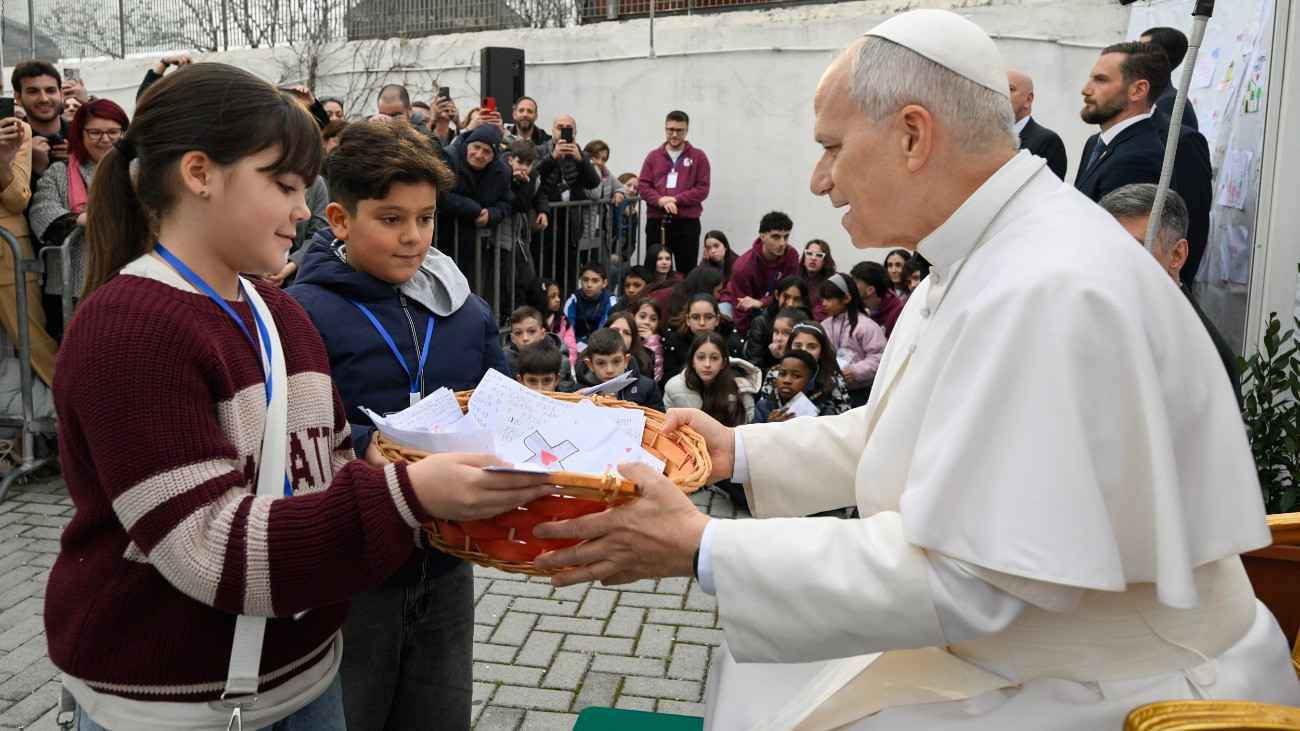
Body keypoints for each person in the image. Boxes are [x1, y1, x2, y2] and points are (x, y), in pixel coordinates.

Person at [529, 10, 1300, 728]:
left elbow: (973, 579)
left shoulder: (1045, 286)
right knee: (755, 673)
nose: (818, 180)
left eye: (832, 146)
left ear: (912, 136)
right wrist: (739, 451)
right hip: (1022, 651)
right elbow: (909, 425)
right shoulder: (988, 248)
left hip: (1111, 689)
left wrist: (704, 546)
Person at [49, 62, 552, 731]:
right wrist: (413, 492)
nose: (302, 208)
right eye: (283, 183)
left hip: (306, 678)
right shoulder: (131, 329)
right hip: (176, 704)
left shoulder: (279, 316)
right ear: (199, 174)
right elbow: (210, 547)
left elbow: (330, 474)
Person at [287, 118, 519, 731]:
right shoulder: (302, 313)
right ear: (339, 220)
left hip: (447, 567)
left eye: (426, 217)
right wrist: (366, 446)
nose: (414, 237)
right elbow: (296, 432)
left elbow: (503, 405)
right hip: (354, 574)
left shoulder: (465, 310)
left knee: (440, 715)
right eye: (390, 219)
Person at [1099, 184, 1239, 406]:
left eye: (1135, 249)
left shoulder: (1206, 357)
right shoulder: (1112, 318)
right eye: (1107, 247)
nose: (1116, 263)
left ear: (1176, 256)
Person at [29, 99, 130, 330]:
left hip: (131, 283)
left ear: (125, 132)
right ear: (79, 133)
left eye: (113, 131)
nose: (105, 139)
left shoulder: (141, 170)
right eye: (95, 132)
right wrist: (81, 219)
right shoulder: (59, 172)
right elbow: (42, 213)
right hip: (70, 288)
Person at [0, 105, 59, 390]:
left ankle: (76, 418)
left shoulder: (17, 131)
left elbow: (18, 200)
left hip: (8, 255)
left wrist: (2, 162)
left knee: (37, 347)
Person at [1074, 41, 1167, 202]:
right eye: (1091, 78)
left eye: (1101, 80)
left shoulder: (1139, 160)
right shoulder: (1096, 143)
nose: (1085, 90)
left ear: (1138, 90)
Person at [436, 124, 515, 283]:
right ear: (467, 145)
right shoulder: (449, 157)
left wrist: (491, 214)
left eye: (486, 152)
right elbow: (439, 193)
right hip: (439, 238)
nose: (479, 154)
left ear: (494, 156)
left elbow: (507, 202)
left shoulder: (503, 172)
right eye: (476, 147)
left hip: (471, 245)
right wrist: (473, 209)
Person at [638, 110, 711, 272]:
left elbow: (702, 189)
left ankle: (684, 298)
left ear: (686, 131)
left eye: (679, 130)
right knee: (655, 269)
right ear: (665, 129)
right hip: (657, 222)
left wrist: (675, 200)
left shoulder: (699, 157)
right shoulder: (653, 156)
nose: (674, 134)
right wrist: (661, 200)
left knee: (687, 269)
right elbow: (643, 186)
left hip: (687, 224)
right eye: (670, 129)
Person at [534, 115, 601, 290]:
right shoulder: (541, 150)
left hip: (570, 224)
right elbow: (534, 176)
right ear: (553, 131)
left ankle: (564, 314)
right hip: (545, 220)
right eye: (559, 127)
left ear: (575, 133)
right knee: (543, 272)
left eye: (568, 128)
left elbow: (593, 183)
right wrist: (553, 157)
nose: (563, 131)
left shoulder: (581, 154)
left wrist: (580, 159)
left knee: (568, 274)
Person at [720, 210, 799, 338]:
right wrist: (743, 342)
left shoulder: (792, 256)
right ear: (762, 237)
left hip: (770, 304)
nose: (782, 243)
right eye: (776, 237)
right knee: (724, 327)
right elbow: (741, 311)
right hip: (734, 302)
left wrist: (761, 302)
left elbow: (788, 294)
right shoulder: (743, 266)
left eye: (786, 236)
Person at [663, 330, 759, 425]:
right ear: (692, 362)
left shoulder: (742, 391)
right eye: (701, 357)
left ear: (723, 363)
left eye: (714, 358)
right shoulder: (673, 388)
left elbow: (743, 434)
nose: (707, 364)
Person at [820, 272, 886, 406]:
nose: (824, 304)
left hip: (861, 392)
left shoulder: (866, 326)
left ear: (846, 298)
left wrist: (855, 372)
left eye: (829, 299)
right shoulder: (824, 326)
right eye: (822, 299)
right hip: (831, 390)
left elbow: (880, 357)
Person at [660, 293, 742, 387]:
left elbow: (738, 374)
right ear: (687, 320)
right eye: (695, 317)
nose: (702, 323)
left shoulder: (729, 338)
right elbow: (669, 378)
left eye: (708, 317)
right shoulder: (674, 340)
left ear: (717, 319)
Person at [576, 328, 664, 410]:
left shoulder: (647, 387)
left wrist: (640, 413)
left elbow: (662, 421)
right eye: (601, 363)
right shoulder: (579, 392)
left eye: (616, 361)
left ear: (626, 361)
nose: (610, 370)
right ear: (590, 365)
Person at [11, 61, 69, 181]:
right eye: (33, 91)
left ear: (61, 94)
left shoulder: (84, 136)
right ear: (18, 98)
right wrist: (32, 169)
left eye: (50, 90)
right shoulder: (9, 145)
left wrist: (78, 164)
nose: (44, 99)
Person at [1007, 69, 1068, 180]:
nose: (1002, 94)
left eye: (1010, 89)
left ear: (1028, 99)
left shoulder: (1047, 141)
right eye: (999, 89)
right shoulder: (987, 138)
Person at [751, 349, 837, 424]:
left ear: (811, 385)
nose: (787, 380)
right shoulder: (763, 408)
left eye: (796, 376)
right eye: (782, 374)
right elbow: (752, 440)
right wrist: (769, 427)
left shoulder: (824, 413)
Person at [742, 276, 809, 371]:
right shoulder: (761, 322)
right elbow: (754, 363)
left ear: (804, 301)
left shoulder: (808, 323)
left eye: (797, 299)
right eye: (786, 297)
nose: (790, 304)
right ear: (777, 295)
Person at [1140, 26, 1199, 131]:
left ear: (1159, 56)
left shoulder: (1170, 102)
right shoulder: (1153, 95)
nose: (1132, 54)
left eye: (1141, 48)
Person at [504, 305, 576, 390]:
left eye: (532, 331)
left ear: (543, 333)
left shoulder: (560, 359)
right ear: (512, 338)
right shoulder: (504, 360)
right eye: (518, 333)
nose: (525, 338)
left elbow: (567, 391)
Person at [563, 262, 619, 345]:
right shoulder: (573, 298)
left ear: (604, 283)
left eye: (595, 281)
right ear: (580, 280)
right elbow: (568, 329)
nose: (589, 285)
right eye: (585, 280)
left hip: (601, 344)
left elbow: (605, 330)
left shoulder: (611, 300)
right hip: (575, 342)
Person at [526, 278, 578, 367]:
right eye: (552, 296)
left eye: (558, 295)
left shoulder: (563, 320)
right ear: (540, 298)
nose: (558, 300)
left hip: (560, 367)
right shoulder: (527, 321)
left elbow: (571, 351)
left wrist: (560, 367)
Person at [851, 260, 903, 338]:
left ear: (870, 290)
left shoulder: (898, 312)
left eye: (854, 283)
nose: (850, 287)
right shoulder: (853, 305)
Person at [607, 310, 655, 380]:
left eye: (627, 333)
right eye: (615, 330)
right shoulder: (591, 357)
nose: (620, 336)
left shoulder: (645, 362)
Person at [799, 238, 836, 319]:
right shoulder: (796, 276)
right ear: (804, 258)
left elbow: (822, 311)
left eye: (819, 255)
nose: (813, 258)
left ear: (825, 261)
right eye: (809, 253)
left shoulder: (833, 280)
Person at [641, 243, 683, 311]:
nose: (664, 262)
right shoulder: (643, 282)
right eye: (659, 259)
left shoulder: (678, 281)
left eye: (667, 259)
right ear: (652, 261)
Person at [632, 297, 665, 383]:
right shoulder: (627, 336)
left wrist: (651, 341)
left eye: (653, 319)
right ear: (633, 317)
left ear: (658, 323)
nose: (647, 322)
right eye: (642, 317)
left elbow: (656, 376)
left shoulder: (658, 342)